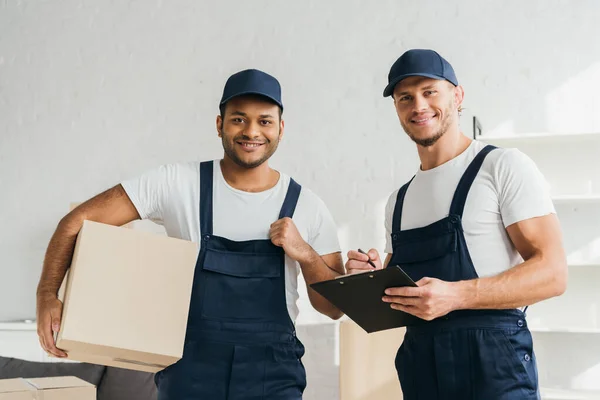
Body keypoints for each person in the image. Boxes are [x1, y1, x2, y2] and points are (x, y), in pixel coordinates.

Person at [36, 68, 345, 399]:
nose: (252, 131)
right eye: (238, 119)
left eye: (265, 121)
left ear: (281, 129)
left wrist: (304, 253)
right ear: (219, 125)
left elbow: (332, 308)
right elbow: (75, 221)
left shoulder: (307, 205)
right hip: (191, 374)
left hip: (273, 376)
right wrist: (47, 295)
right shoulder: (177, 184)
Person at [346, 49, 568, 399]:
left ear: (458, 95)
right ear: (397, 109)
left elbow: (554, 274)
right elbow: (407, 298)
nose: (418, 105)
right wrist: (375, 277)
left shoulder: (501, 167)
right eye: (406, 97)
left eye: (430, 91)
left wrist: (455, 295)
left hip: (493, 364)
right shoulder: (397, 201)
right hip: (421, 365)